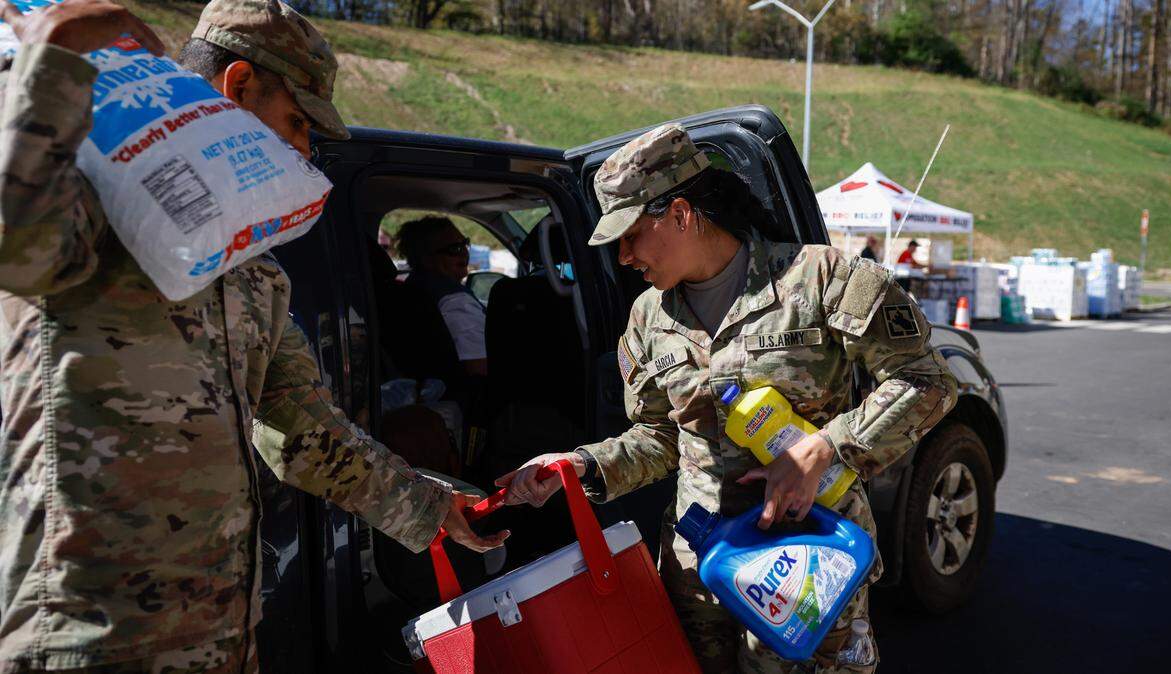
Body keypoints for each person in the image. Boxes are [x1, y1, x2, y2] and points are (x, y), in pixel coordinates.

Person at [0, 2, 505, 672]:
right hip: (87, 636)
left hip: (220, 637)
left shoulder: (251, 272)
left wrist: (435, 507)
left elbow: (307, 434)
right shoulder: (91, 190)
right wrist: (53, 62)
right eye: (297, 122)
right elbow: (16, 249)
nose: (302, 150)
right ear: (237, 87)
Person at [498, 124, 958, 673]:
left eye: (631, 236)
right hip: (701, 571)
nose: (622, 257)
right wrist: (579, 465)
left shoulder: (822, 279)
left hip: (808, 559)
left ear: (681, 214)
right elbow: (659, 441)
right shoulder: (648, 318)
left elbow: (928, 382)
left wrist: (823, 450)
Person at [397, 216, 487, 378]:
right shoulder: (457, 301)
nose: (464, 253)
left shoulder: (414, 285)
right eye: (454, 249)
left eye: (464, 244)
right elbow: (478, 368)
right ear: (427, 259)